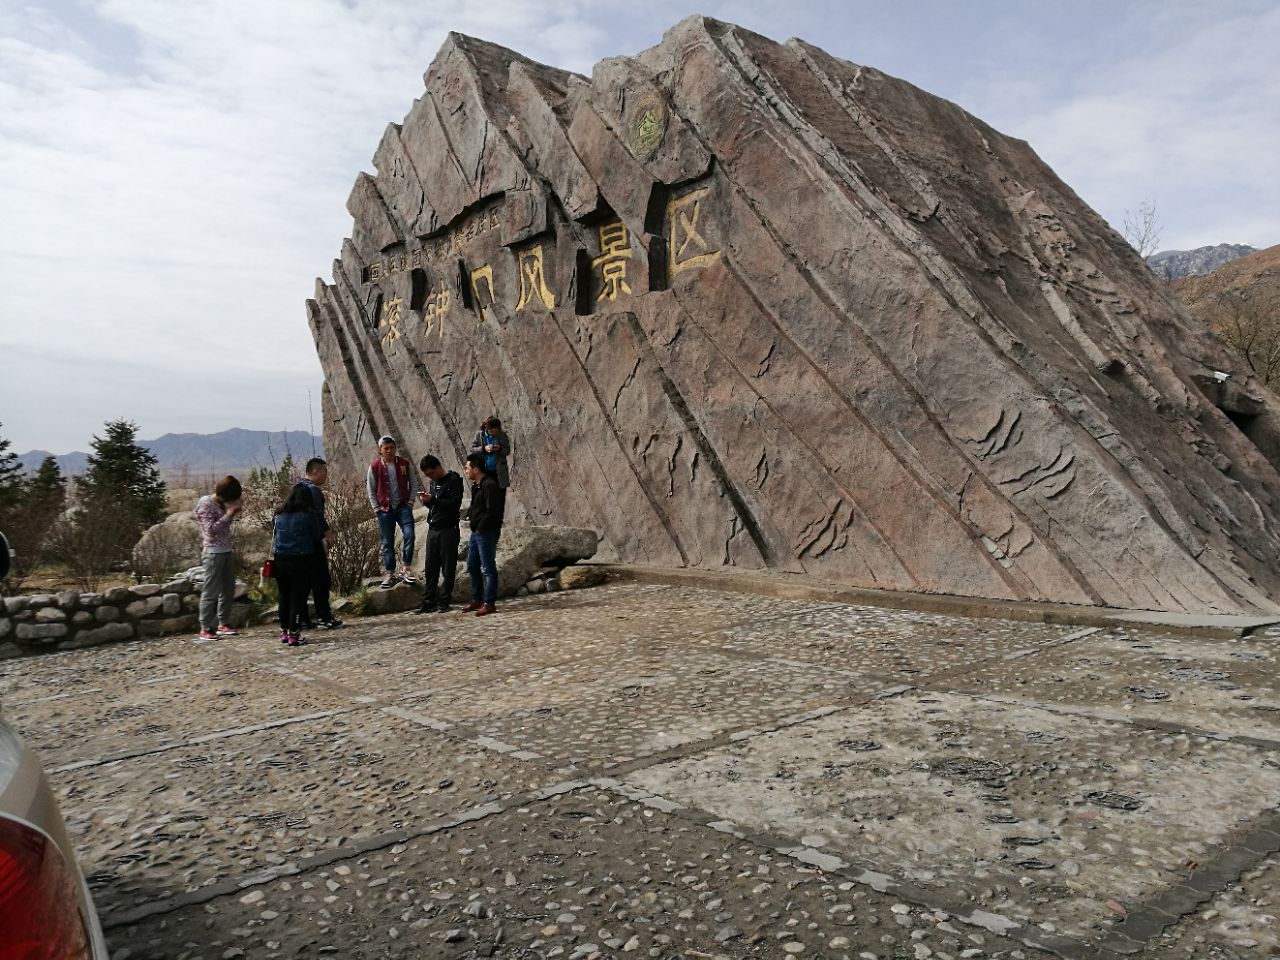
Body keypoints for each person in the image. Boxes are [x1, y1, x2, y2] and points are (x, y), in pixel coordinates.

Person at [295, 457, 342, 629]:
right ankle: (324, 616)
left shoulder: (297, 486)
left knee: (304, 582)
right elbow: (317, 516)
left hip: (297, 544)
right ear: (315, 471)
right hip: (312, 541)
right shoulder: (313, 490)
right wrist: (327, 534)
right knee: (321, 580)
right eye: (324, 471)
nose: (326, 475)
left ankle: (302, 618)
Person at [271, 484, 322, 647]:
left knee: (284, 596)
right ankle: (294, 633)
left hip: (280, 559)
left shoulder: (278, 514)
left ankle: (284, 631)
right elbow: (316, 535)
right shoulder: (308, 515)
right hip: (301, 560)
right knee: (297, 598)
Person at [366, 435, 419, 589]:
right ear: (380, 450)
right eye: (386, 448)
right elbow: (371, 489)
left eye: (392, 447)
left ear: (396, 448)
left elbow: (413, 483)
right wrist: (376, 509)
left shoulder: (404, 464)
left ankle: (406, 569)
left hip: (403, 507)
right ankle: (390, 573)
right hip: (384, 510)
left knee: (409, 535)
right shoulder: (374, 467)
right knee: (387, 543)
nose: (389, 451)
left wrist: (410, 502)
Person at [193, 476, 243, 640]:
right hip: (213, 552)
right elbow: (210, 530)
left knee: (228, 588)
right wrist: (228, 515)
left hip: (226, 550)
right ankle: (205, 627)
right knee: (211, 590)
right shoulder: (206, 503)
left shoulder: (221, 503)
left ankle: (223, 623)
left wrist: (231, 512)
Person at [414, 454, 464, 614]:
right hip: (433, 528)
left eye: (431, 473)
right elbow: (435, 506)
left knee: (448, 567)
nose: (430, 477)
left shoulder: (454, 480)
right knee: (430, 567)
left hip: (449, 529)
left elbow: (454, 505)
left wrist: (433, 500)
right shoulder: (433, 483)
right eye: (427, 475)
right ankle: (428, 601)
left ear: (437, 468)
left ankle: (444, 601)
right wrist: (427, 502)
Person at [462, 451, 505, 617]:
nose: (466, 471)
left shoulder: (489, 485)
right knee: (472, 565)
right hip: (476, 532)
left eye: (467, 468)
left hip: (486, 531)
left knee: (488, 567)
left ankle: (489, 602)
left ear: (476, 469)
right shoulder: (476, 486)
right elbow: (476, 507)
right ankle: (477, 598)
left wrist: (480, 527)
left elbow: (492, 511)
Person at [470, 416, 512, 489]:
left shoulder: (502, 435)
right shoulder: (479, 435)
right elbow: (472, 449)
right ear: (487, 429)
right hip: (483, 470)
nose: (494, 434)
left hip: (499, 471)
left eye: (496, 432)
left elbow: (507, 451)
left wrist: (499, 449)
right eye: (492, 432)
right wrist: (484, 449)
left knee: (500, 495)